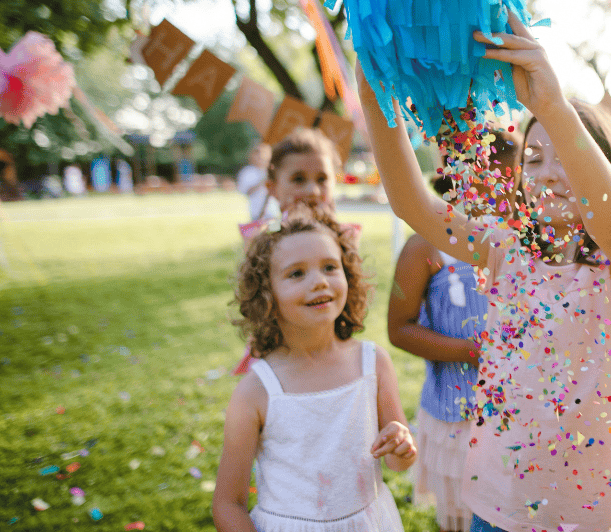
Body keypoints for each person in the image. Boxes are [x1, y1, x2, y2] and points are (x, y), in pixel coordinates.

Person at [358, 11, 611, 532]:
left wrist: (550, 103)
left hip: (604, 510)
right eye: (535, 157)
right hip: (504, 506)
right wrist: (375, 92)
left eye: (566, 158)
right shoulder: (504, 251)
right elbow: (413, 203)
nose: (549, 173)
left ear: (606, 169)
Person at [212, 206, 416, 532]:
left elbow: (397, 461)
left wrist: (402, 445)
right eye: (296, 273)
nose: (320, 281)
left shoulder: (373, 363)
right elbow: (227, 503)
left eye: (329, 267)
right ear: (267, 295)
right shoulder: (257, 391)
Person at [388, 130, 520, 532]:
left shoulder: (523, 240)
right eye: (485, 171)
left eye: (509, 176)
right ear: (455, 174)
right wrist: (473, 350)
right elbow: (399, 328)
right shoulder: (424, 247)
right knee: (464, 520)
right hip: (456, 414)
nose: (500, 186)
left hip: (519, 412)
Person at [234, 127, 344, 374]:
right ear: (272, 187)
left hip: (331, 349)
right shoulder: (264, 237)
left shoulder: (343, 236)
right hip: (282, 351)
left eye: (322, 179)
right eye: (298, 179)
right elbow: (256, 303)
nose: (312, 191)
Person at [236, 143, 273, 222]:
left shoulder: (271, 170)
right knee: (262, 234)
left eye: (264, 153)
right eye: (257, 153)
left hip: (273, 213)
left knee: (276, 232)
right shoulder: (247, 172)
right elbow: (247, 192)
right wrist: (263, 181)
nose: (261, 156)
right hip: (257, 214)